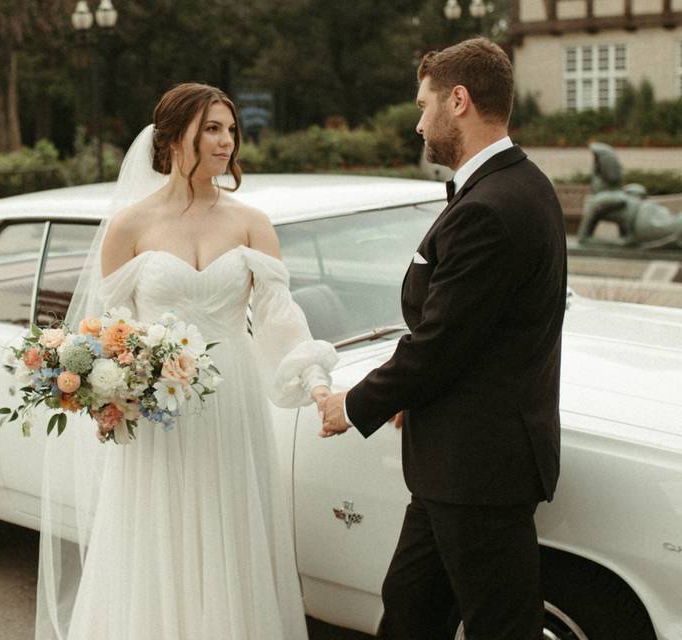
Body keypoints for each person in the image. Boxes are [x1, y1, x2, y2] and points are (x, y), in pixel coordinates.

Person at [35, 82, 337, 640]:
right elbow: (106, 329)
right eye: (212, 130)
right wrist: (111, 391)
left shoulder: (251, 221)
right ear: (174, 139)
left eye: (230, 129)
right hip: (159, 417)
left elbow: (279, 314)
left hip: (232, 406)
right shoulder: (130, 226)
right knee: (158, 538)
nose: (226, 142)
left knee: (231, 534)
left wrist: (317, 382)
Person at [319, 38, 567, 639]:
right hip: (454, 464)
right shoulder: (517, 183)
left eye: (425, 104)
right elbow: (478, 335)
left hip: (479, 470)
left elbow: (441, 341)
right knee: (409, 610)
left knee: (499, 628)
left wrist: (353, 404)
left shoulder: (493, 205)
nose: (418, 122)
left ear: (459, 100)